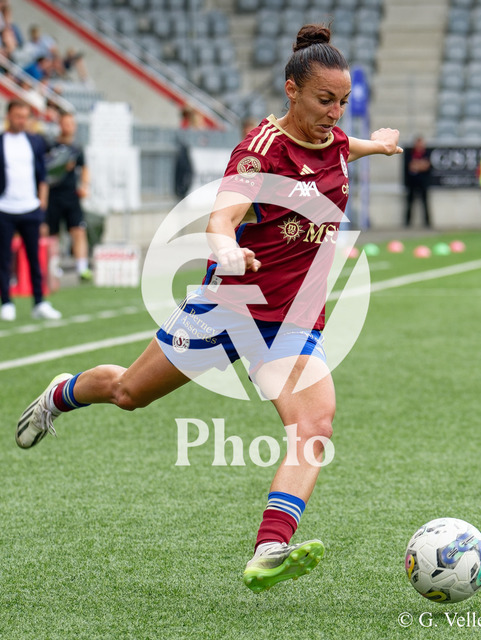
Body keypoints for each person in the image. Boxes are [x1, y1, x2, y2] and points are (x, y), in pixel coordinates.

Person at [16, 25, 401, 591]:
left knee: (314, 424)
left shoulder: (334, 140)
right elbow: (222, 217)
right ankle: (61, 392)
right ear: (292, 90)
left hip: (291, 322)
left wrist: (380, 144)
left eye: (342, 102)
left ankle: (270, 547)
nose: (335, 113)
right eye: (325, 100)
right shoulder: (258, 152)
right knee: (127, 393)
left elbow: (345, 148)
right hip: (229, 307)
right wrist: (228, 249)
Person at [0, 100, 61, 321]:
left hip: (30, 207)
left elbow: (42, 175)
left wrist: (41, 204)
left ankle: (39, 302)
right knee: (4, 258)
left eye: (25, 117)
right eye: (18, 116)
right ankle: (6, 302)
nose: (21, 121)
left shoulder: (35, 141)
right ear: (9, 116)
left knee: (35, 257)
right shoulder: (2, 141)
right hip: (5, 208)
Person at [45, 111, 91, 281]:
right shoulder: (51, 146)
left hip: (71, 196)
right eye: (65, 124)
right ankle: (53, 267)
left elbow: (85, 168)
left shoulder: (77, 148)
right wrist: (59, 165)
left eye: (71, 124)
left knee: (78, 230)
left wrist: (84, 186)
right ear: (60, 125)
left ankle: (82, 268)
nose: (69, 127)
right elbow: (45, 169)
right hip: (53, 195)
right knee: (52, 233)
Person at [404, 135, 431, 227]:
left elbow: (426, 166)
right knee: (410, 203)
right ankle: (407, 222)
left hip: (423, 182)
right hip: (412, 182)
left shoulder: (426, 153)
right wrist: (421, 165)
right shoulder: (410, 153)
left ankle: (427, 222)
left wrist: (417, 165)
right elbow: (410, 166)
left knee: (425, 202)